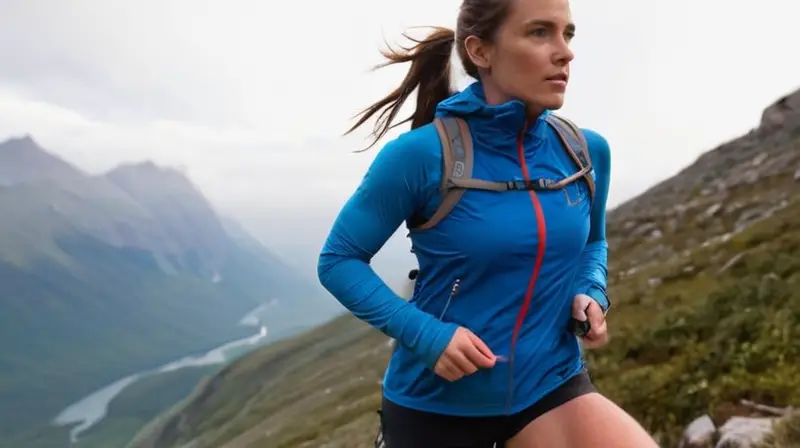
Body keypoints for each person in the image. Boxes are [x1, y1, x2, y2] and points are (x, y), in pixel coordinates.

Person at [317, 0, 659, 446]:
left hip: (551, 384)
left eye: (567, 34)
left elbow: (593, 243)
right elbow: (339, 260)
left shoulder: (585, 152)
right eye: (539, 33)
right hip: (438, 406)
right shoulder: (421, 156)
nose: (565, 52)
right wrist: (427, 334)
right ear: (481, 51)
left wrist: (590, 290)